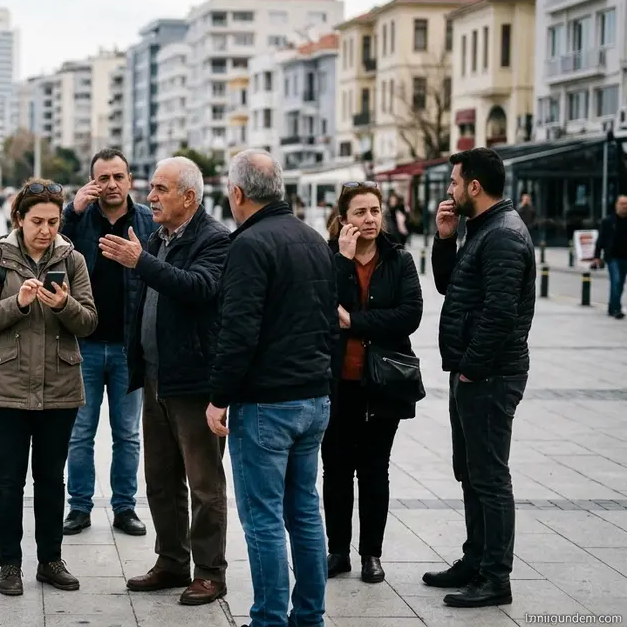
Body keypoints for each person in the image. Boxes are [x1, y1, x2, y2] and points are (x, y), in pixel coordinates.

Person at [203, 150, 335, 626]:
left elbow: (238, 331)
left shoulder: (249, 244)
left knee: (262, 519)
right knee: (303, 512)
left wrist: (219, 397)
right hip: (313, 397)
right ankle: (310, 616)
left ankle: (269, 619)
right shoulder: (313, 239)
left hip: (267, 404)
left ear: (237, 194)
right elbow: (328, 321)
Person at [0, 179, 98, 596]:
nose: (46, 230)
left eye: (53, 221)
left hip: (60, 386)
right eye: (37, 221)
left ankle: (50, 560)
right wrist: (18, 303)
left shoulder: (72, 259)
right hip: (5, 386)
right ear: (19, 219)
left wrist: (63, 305)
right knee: (8, 479)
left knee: (50, 477)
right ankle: (10, 565)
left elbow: (89, 322)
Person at [117, 157, 232, 607]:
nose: (151, 197)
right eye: (151, 189)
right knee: (160, 478)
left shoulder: (215, 239)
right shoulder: (158, 236)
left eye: (161, 189)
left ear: (189, 196)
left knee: (204, 484)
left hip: (194, 380)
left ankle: (209, 571)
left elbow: (198, 287)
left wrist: (141, 262)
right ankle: (170, 561)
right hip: (155, 376)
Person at [426, 147, 534, 608]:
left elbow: (501, 313)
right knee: (470, 472)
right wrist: (445, 239)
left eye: (454, 183)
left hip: (489, 375)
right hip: (472, 372)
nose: (449, 192)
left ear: (474, 186)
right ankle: (475, 559)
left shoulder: (504, 235)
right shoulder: (482, 229)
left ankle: (495, 577)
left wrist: (472, 366)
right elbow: (452, 286)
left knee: (489, 476)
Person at [323, 181, 424, 584]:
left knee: (374, 470)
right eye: (360, 212)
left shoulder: (398, 259)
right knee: (335, 469)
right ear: (343, 218)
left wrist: (355, 321)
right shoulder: (328, 256)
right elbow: (319, 307)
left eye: (375, 211)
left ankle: (371, 555)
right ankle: (336, 551)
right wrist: (343, 262)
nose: (369, 219)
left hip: (383, 382)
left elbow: (409, 315)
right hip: (336, 381)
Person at [60, 148, 156, 538]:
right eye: (103, 178)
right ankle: (79, 506)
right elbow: (51, 252)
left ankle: (125, 507)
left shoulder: (148, 221)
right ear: (92, 182)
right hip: (83, 344)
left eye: (118, 177)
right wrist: (71, 212)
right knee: (80, 432)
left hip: (129, 347)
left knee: (127, 433)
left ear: (130, 180)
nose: (111, 185)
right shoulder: (80, 219)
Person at [592, 195, 627, 319]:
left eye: (626, 204)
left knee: (621, 283)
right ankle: (616, 309)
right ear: (617, 205)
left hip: (625, 257)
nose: (624, 206)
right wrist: (596, 257)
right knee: (616, 281)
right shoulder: (608, 221)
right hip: (612, 257)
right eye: (622, 204)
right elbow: (600, 240)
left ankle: (612, 306)